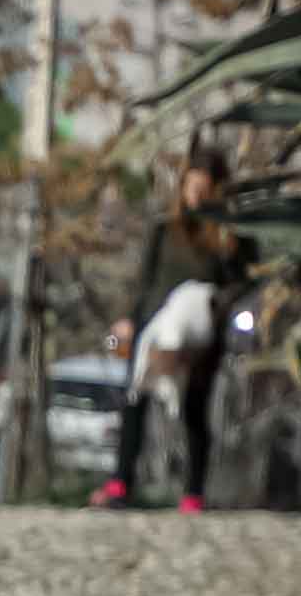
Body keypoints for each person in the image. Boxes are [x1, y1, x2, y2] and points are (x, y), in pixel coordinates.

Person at [104, 150, 251, 514]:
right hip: (153, 326)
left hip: (201, 332)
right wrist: (129, 319)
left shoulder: (230, 237)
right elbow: (144, 281)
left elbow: (242, 282)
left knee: (194, 409)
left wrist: (217, 306)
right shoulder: (164, 230)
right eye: (191, 186)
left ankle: (193, 493)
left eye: (204, 187)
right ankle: (120, 484)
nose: (196, 194)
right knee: (135, 399)